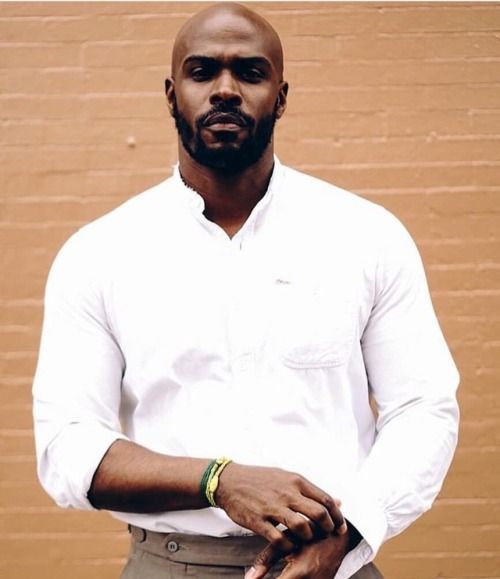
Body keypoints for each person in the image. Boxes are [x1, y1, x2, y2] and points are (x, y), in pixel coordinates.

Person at [32, 3, 460, 579]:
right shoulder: (100, 252)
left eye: (251, 73)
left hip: (334, 561)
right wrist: (220, 479)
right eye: (203, 71)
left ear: (280, 96)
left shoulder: (365, 235)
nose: (226, 90)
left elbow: (423, 409)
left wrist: (353, 532)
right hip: (170, 564)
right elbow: (67, 446)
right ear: (171, 93)